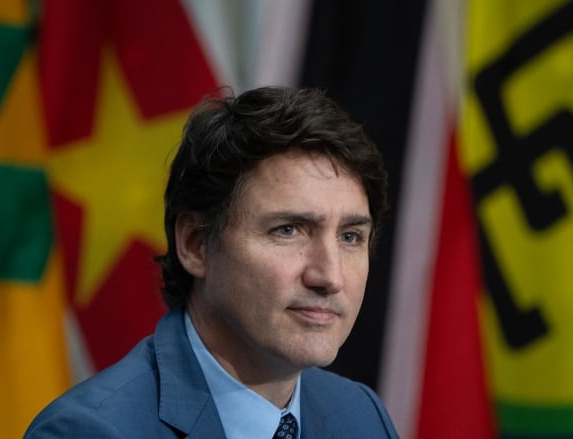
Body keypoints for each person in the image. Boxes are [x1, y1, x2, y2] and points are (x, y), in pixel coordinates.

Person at [24, 86, 399, 438]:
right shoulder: (91, 431)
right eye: (288, 230)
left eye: (350, 237)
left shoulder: (361, 416)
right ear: (195, 244)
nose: (329, 276)